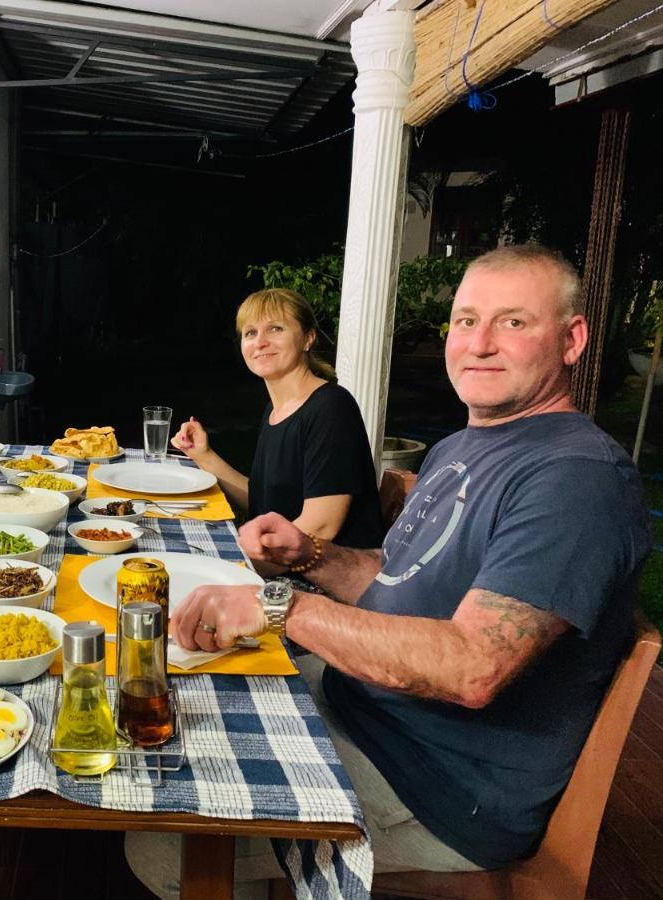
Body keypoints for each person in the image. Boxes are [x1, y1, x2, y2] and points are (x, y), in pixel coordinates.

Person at [128, 246, 652, 897]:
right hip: (362, 703)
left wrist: (279, 605)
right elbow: (397, 573)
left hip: (437, 785)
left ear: (572, 340)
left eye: (513, 322)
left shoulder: (576, 479)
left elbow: (472, 667)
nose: (481, 344)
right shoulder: (463, 447)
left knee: (162, 834)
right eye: (466, 321)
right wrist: (309, 556)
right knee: (175, 697)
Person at [171, 289, 384, 549]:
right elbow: (261, 501)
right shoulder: (276, 411)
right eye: (250, 333)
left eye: (275, 329)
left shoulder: (331, 408)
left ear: (308, 338)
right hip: (285, 561)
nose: (260, 342)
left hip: (325, 577)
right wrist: (203, 455)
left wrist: (248, 563)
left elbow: (321, 526)